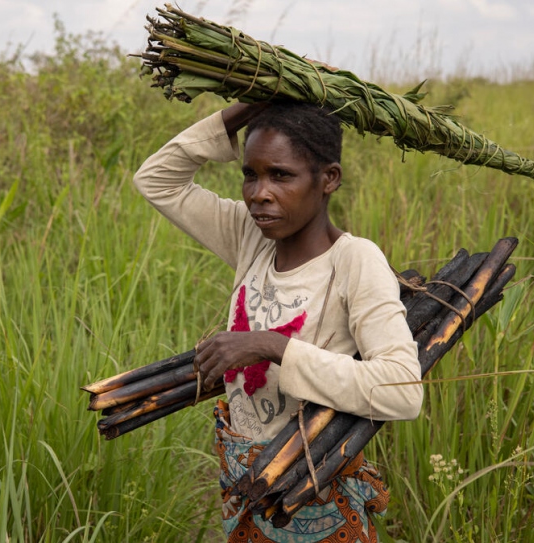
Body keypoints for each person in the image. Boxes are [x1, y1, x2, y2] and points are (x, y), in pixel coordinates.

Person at [133, 101, 423, 542]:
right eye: (251, 174)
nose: (258, 193)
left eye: (281, 175)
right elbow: (155, 180)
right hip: (244, 484)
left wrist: (272, 346)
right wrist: (253, 105)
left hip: (312, 494)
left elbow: (402, 391)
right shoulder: (251, 236)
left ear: (329, 179)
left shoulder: (354, 260)